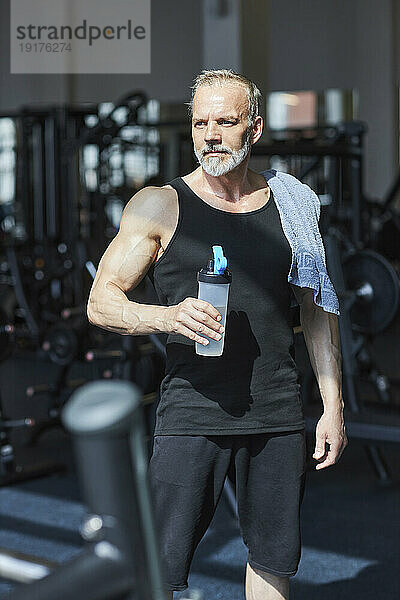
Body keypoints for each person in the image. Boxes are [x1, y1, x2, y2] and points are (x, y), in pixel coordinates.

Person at [87, 69, 348, 600]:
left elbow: (318, 308)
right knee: (159, 566)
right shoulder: (159, 205)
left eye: (224, 122)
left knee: (273, 560)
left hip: (276, 409)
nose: (210, 134)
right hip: (191, 410)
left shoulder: (291, 203)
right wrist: (164, 316)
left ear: (252, 130)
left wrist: (332, 404)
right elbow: (101, 301)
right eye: (200, 122)